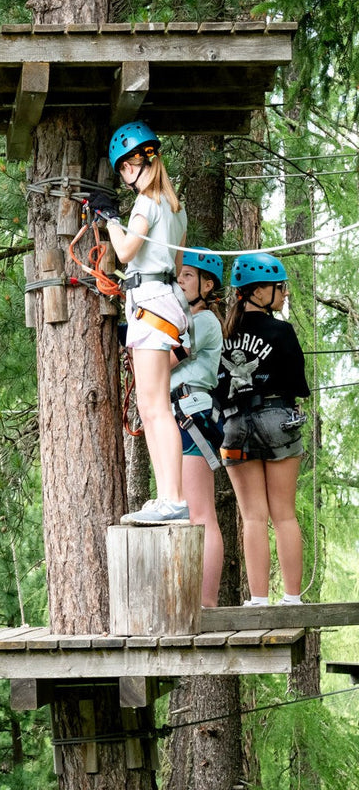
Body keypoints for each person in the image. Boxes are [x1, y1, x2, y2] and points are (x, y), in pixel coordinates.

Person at [89, 121, 190, 526]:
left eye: (123, 171)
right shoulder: (174, 210)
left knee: (153, 405)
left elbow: (128, 251)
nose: (125, 178)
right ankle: (169, 495)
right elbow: (177, 267)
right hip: (161, 301)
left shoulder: (146, 203)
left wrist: (111, 218)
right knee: (152, 406)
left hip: (150, 305)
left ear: (132, 165)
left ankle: (173, 498)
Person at [214, 254, 310, 606]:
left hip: (235, 425)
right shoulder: (281, 331)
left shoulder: (224, 334)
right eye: (279, 288)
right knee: (283, 513)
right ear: (259, 292)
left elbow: (217, 386)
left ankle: (257, 600)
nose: (284, 294)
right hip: (276, 419)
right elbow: (298, 384)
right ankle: (291, 598)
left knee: (252, 515)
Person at [172, 250, 226, 607]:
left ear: (207, 285)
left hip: (192, 413)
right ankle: (196, 599)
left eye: (188, 276)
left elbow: (170, 355)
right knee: (188, 512)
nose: (180, 280)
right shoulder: (188, 318)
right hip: (181, 411)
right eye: (179, 275)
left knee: (200, 512)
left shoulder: (203, 320)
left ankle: (206, 603)